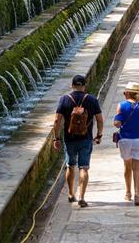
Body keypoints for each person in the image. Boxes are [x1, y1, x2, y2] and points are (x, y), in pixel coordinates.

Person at [53, 74, 104, 207]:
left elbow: (57, 120)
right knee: (84, 167)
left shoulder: (64, 99)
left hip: (69, 139)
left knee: (70, 165)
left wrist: (56, 138)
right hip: (85, 139)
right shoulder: (92, 99)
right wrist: (99, 135)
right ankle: (82, 196)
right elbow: (99, 119)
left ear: (72, 85)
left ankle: (71, 194)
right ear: (84, 86)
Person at [113, 82, 139, 206]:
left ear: (128, 93)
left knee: (127, 167)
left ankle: (128, 192)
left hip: (125, 139)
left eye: (124, 93)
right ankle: (137, 194)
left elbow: (117, 123)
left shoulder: (121, 105)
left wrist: (119, 122)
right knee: (137, 168)